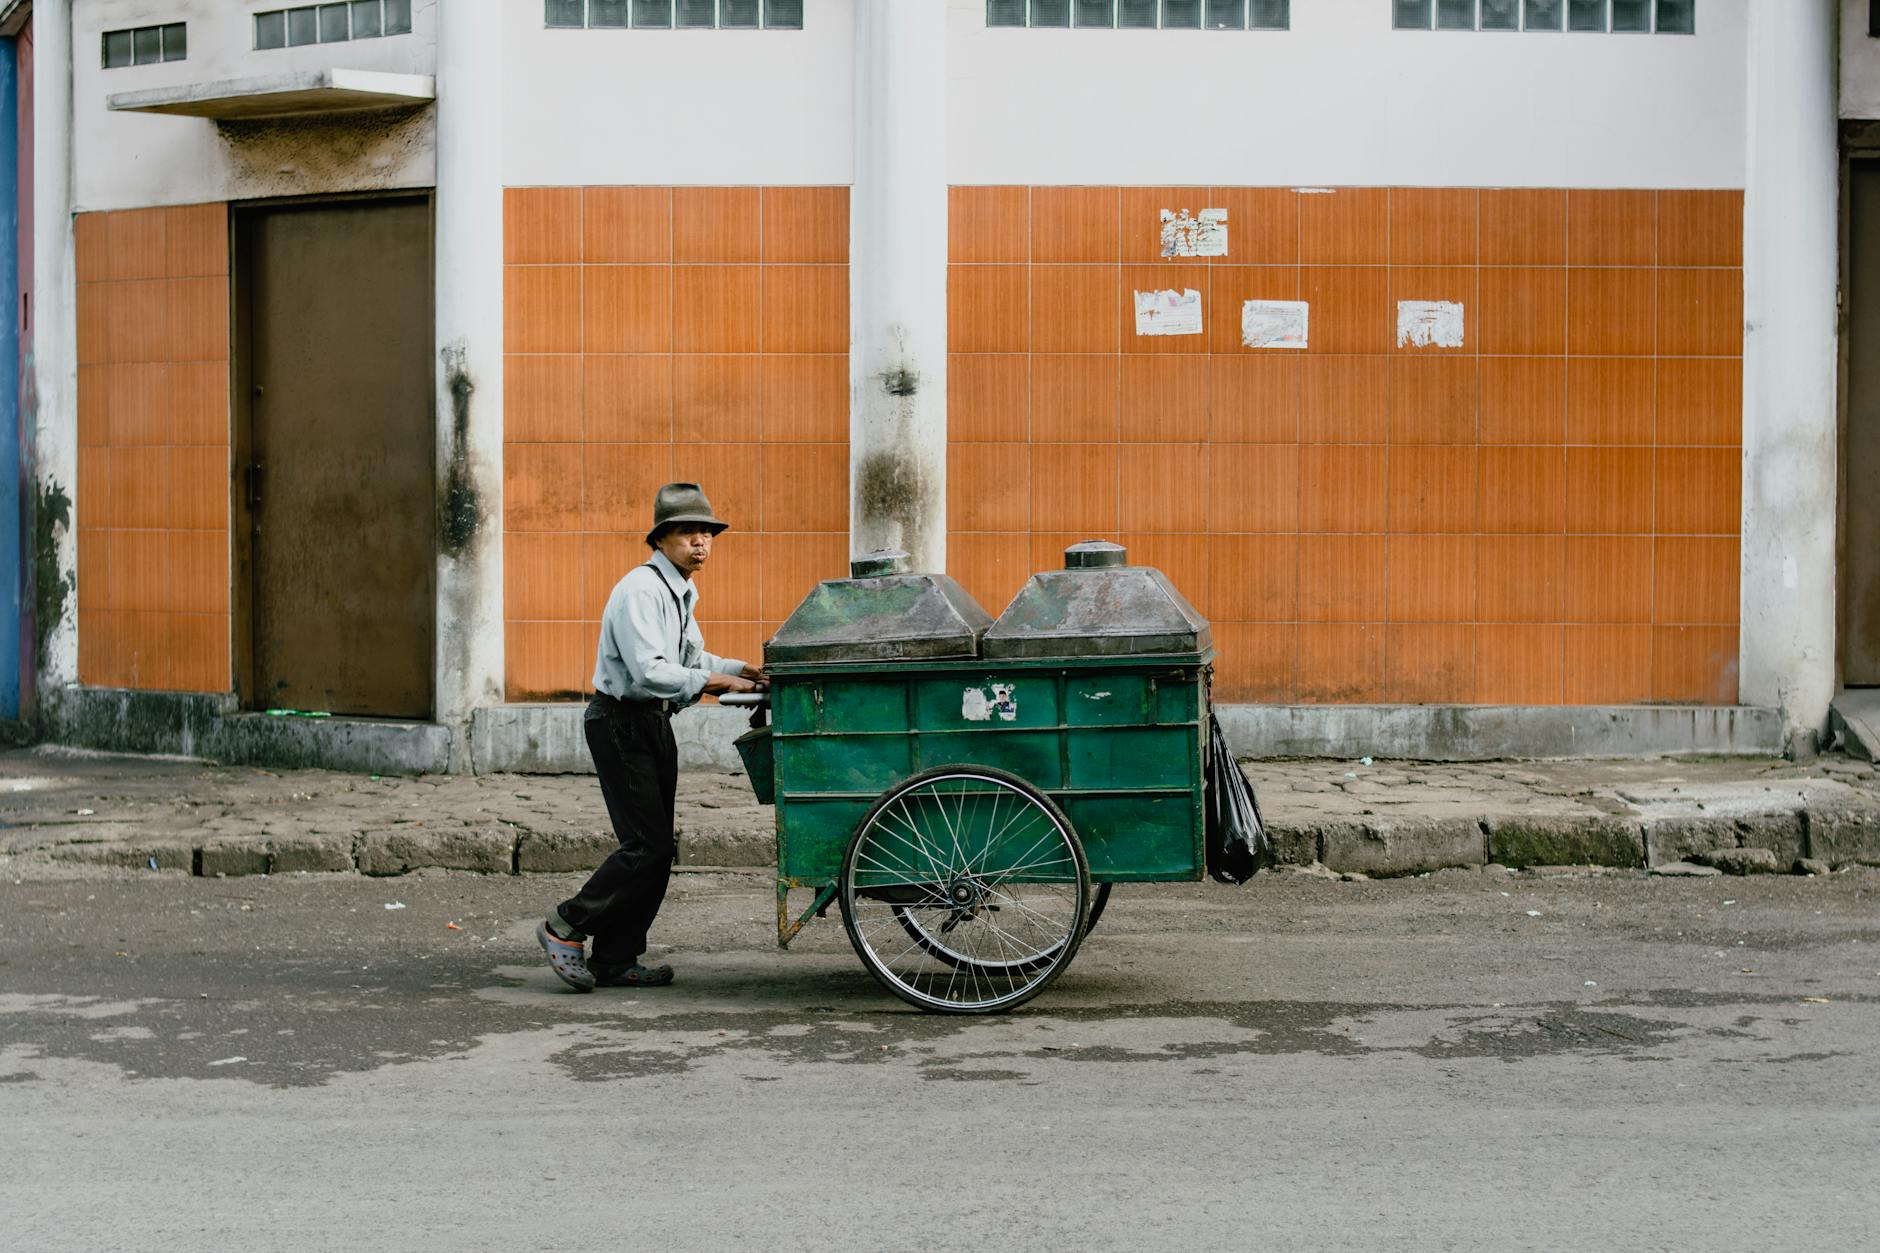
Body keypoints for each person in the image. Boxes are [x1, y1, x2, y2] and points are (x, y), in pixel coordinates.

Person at [537, 483, 763, 991]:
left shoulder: (679, 590)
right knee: (644, 845)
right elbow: (649, 670)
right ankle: (565, 924)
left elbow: (689, 658)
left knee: (657, 850)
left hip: (654, 723)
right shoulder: (640, 589)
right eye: (688, 533)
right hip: (620, 721)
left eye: (706, 533)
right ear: (661, 539)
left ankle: (615, 959)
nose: (700, 542)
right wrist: (716, 682)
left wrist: (741, 669)